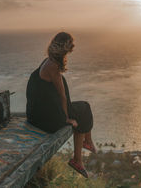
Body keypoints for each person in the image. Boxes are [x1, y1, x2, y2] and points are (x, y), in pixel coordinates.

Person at [26, 31, 95, 178]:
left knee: (83, 109)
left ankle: (84, 149)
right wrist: (65, 118)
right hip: (47, 119)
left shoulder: (48, 61)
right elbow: (62, 96)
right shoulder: (53, 66)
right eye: (71, 43)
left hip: (41, 112)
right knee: (84, 109)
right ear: (65, 46)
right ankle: (82, 151)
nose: (73, 46)